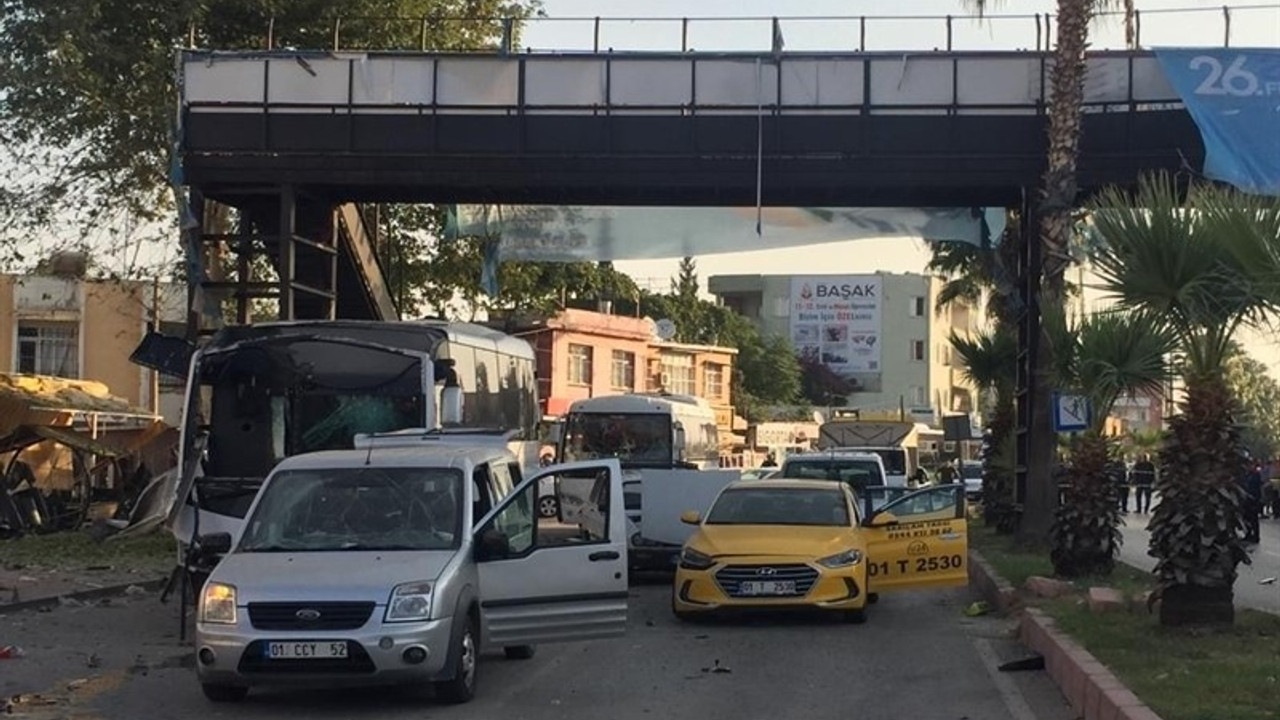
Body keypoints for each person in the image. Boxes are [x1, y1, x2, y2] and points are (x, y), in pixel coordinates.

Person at [1242, 463, 1263, 544]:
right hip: (1247, 500)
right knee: (1247, 518)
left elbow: (1258, 488)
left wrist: (1257, 499)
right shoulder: (1247, 475)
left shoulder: (1256, 476)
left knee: (1254, 519)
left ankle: (1256, 536)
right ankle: (1248, 533)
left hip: (1254, 499)